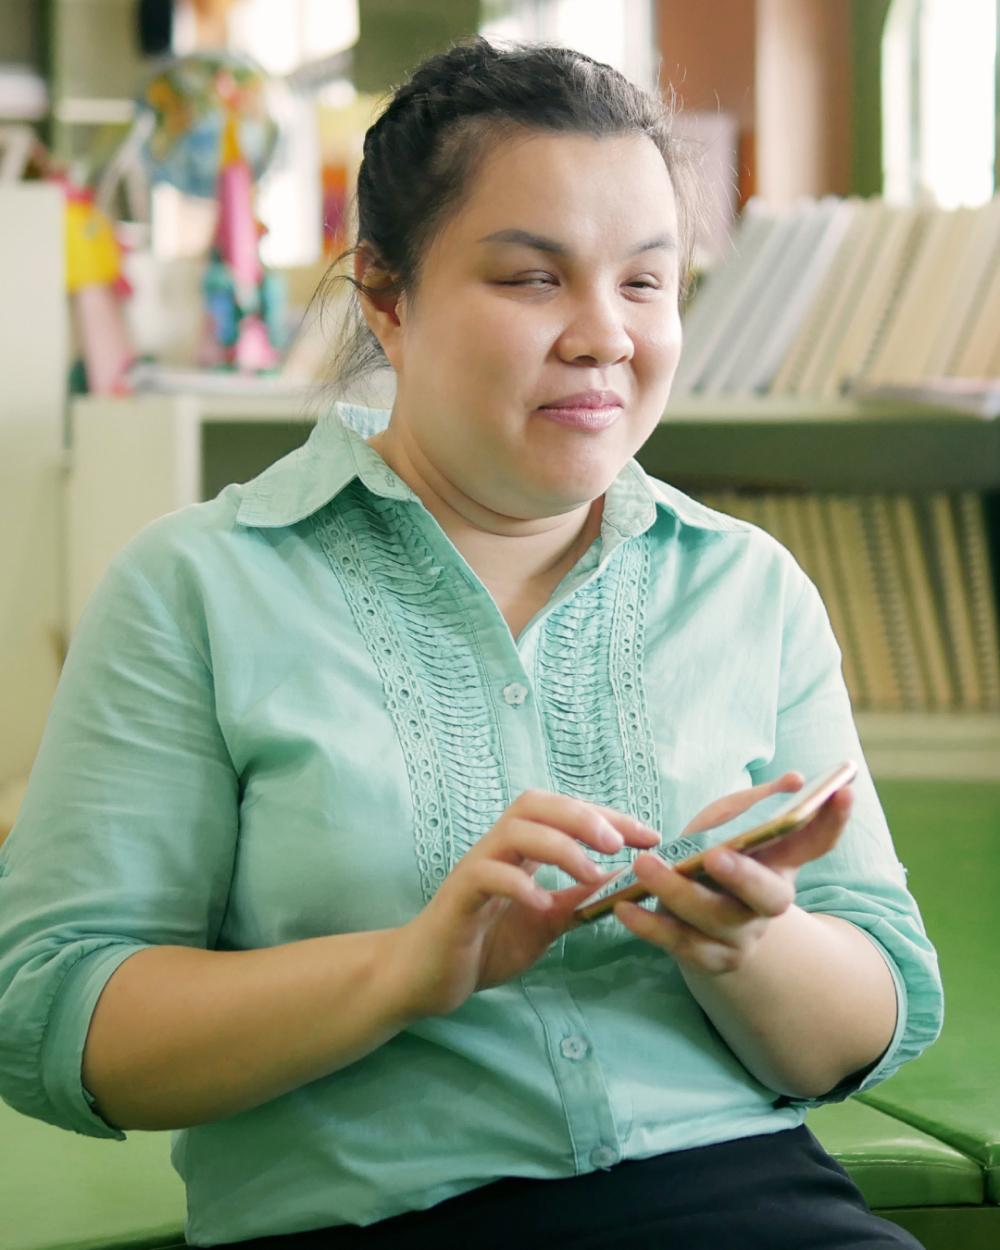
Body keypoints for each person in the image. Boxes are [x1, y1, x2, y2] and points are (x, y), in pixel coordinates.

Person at [0, 38, 942, 1250]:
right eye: (532, 279)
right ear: (386, 298)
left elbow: (866, 1021)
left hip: (751, 1201)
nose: (604, 335)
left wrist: (750, 935)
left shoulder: (747, 586)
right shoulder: (194, 588)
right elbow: (56, 1014)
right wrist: (406, 967)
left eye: (646, 282)